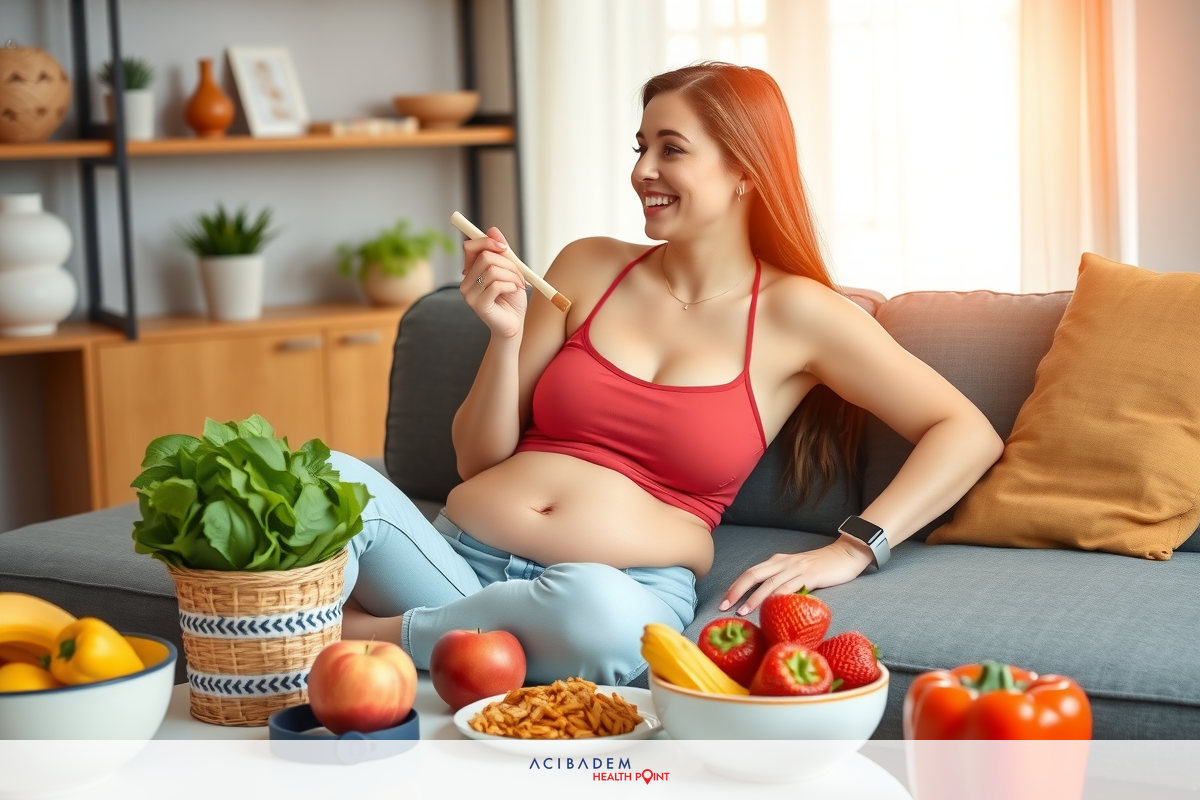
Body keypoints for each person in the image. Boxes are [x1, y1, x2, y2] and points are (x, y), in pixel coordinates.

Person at [336, 62, 1003, 686]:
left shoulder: (800, 314)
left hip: (604, 595)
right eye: (640, 147)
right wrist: (505, 338)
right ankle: (450, 644)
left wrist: (853, 549)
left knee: (604, 619)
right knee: (324, 475)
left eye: (671, 149)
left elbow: (965, 432)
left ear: (744, 169)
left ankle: (362, 637)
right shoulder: (586, 264)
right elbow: (477, 462)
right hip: (452, 560)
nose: (643, 171)